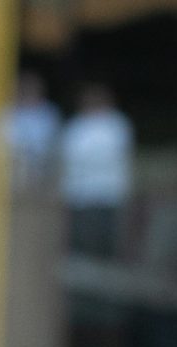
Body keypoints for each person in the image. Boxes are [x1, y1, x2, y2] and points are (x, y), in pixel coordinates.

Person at [59, 84, 133, 257]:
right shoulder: (76, 126)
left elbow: (115, 154)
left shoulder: (117, 124)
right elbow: (68, 156)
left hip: (108, 192)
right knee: (80, 238)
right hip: (80, 193)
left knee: (105, 237)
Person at [2, 71, 62, 189]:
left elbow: (55, 140)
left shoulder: (49, 112)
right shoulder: (7, 112)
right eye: (25, 87)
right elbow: (4, 141)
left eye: (33, 87)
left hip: (43, 166)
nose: (29, 91)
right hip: (14, 167)